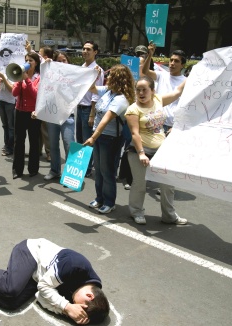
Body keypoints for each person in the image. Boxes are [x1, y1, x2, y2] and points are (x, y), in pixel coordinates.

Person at [0, 238, 110, 324]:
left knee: (12, 303)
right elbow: (43, 287)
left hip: (40, 277)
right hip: (31, 252)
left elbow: (41, 296)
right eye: (78, 306)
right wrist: (67, 306)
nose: (74, 305)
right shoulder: (75, 267)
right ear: (90, 296)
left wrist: (64, 310)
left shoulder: (80, 293)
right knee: (11, 288)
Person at [125, 75, 186, 225]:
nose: (141, 93)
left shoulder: (158, 100)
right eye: (138, 90)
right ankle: (136, 212)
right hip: (139, 152)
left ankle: (169, 216)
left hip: (161, 151)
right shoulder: (133, 109)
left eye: (144, 90)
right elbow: (135, 133)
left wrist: (196, 73)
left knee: (168, 184)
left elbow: (178, 91)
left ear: (152, 90)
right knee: (140, 185)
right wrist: (141, 153)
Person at [83, 65, 135, 214]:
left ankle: (109, 202)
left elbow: (106, 120)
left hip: (109, 139)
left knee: (107, 171)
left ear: (118, 79)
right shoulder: (108, 91)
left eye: (111, 76)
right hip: (99, 136)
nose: (108, 78)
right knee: (98, 170)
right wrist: (95, 75)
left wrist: (93, 137)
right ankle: (99, 198)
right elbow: (91, 88)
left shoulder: (122, 99)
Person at [141, 42, 186, 135]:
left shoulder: (186, 82)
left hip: (172, 127)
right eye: (171, 60)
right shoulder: (162, 75)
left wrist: (176, 126)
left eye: (176, 61)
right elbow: (145, 71)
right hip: (156, 123)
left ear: (183, 65)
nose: (172, 63)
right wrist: (150, 55)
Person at [44, 51, 76, 181]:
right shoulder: (51, 75)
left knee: (69, 144)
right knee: (53, 144)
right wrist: (46, 65)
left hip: (68, 115)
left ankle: (71, 174)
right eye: (59, 61)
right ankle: (55, 170)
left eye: (64, 60)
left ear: (68, 61)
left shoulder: (74, 75)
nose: (62, 63)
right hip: (53, 114)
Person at [11, 52, 41, 179]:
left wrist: (27, 80)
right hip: (20, 112)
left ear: (36, 63)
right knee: (18, 141)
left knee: (34, 141)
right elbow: (14, 93)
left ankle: (33, 169)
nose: (28, 63)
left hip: (33, 114)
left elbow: (36, 94)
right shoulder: (20, 75)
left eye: (31, 61)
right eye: (26, 60)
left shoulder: (39, 77)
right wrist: (19, 80)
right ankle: (17, 170)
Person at [76, 41, 104, 177]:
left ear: (95, 52)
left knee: (88, 140)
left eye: (89, 49)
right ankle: (79, 165)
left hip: (88, 109)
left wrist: (92, 114)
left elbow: (96, 94)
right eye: (83, 49)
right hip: (79, 107)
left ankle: (86, 169)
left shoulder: (97, 70)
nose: (85, 51)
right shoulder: (81, 67)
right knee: (80, 138)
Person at [0, 68, 15, 157]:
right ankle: (7, 144)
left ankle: (10, 147)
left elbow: (11, 90)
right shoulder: (2, 71)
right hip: (1, 100)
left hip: (11, 102)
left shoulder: (15, 74)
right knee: (5, 125)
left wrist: (3, 78)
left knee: (11, 126)